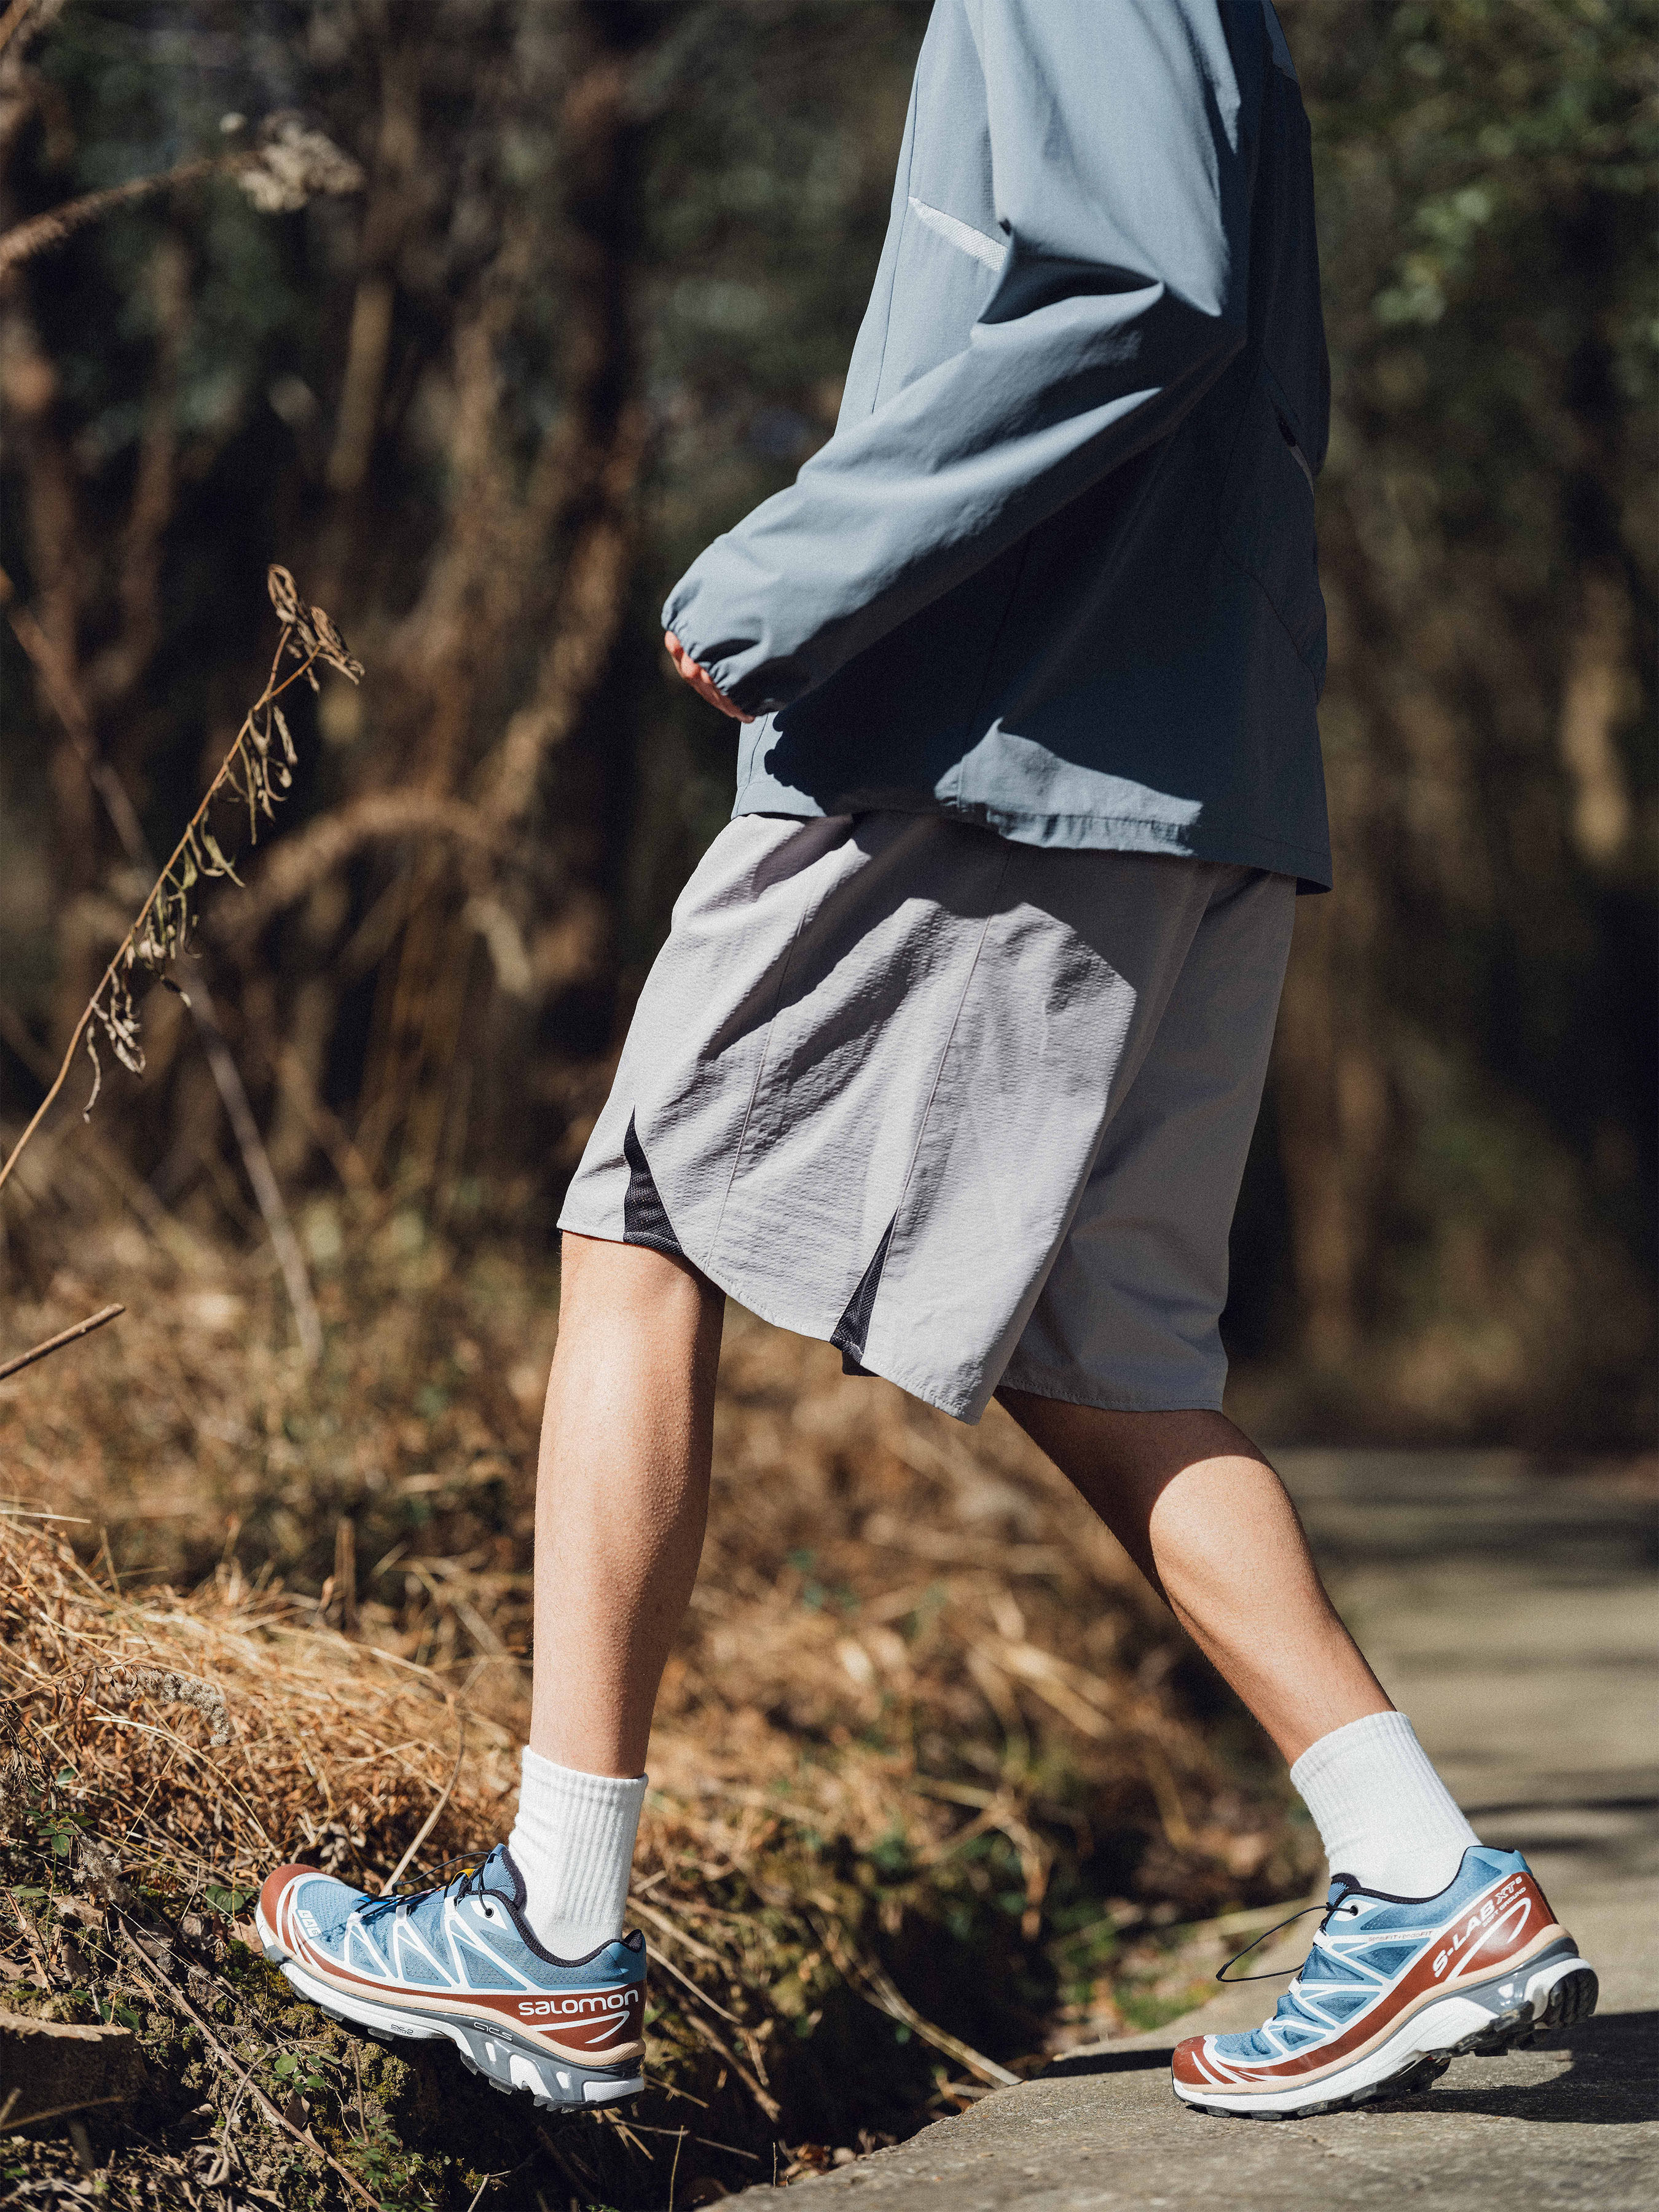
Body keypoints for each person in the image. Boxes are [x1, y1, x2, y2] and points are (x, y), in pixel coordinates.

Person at [256, 0, 1597, 2123]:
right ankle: (1421, 1877)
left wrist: (795, 571)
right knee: (1105, 1352)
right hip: (1185, 749)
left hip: (992, 742)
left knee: (641, 1219)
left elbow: (1140, 289)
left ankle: (556, 1929)